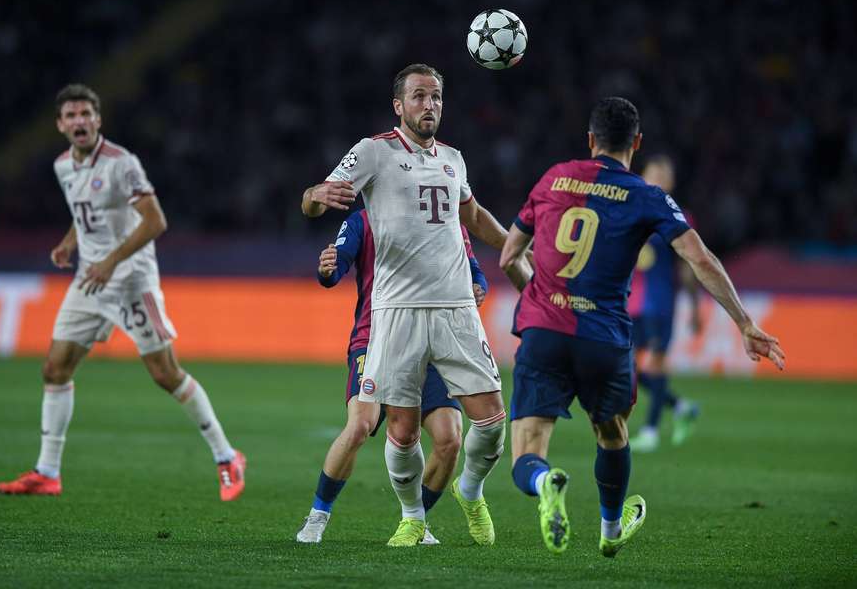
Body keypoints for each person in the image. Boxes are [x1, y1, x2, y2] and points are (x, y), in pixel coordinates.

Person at [499, 97, 785, 558]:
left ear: (590, 140)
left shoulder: (554, 177)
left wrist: (537, 299)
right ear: (636, 144)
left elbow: (510, 256)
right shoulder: (648, 196)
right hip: (604, 339)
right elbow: (700, 259)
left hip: (545, 330)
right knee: (612, 435)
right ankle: (611, 530)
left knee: (527, 452)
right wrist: (745, 323)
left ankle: (544, 480)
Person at [301, 63, 529, 547]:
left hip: (456, 309)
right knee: (402, 432)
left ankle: (470, 489)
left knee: (491, 419)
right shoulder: (373, 152)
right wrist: (316, 195)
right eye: (420, 96)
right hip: (396, 312)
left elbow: (474, 217)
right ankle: (412, 518)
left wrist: (516, 244)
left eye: (437, 96)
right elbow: (313, 202)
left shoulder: (453, 159)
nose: (430, 105)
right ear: (399, 105)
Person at [0, 84, 246, 500]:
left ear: (98, 119)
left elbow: (155, 221)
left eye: (86, 114)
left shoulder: (121, 163)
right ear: (60, 125)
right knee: (55, 369)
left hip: (130, 279)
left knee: (165, 373)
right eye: (71, 115)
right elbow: (85, 213)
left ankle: (227, 456)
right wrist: (69, 243)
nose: (79, 121)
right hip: (90, 280)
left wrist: (110, 261)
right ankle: (47, 472)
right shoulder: (63, 166)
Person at [295, 208, 488, 544]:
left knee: (450, 439)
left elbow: (473, 269)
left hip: (433, 339)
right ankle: (317, 516)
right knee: (360, 425)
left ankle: (416, 520)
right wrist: (327, 270)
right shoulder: (365, 220)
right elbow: (335, 267)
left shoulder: (444, 216)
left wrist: (477, 286)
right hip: (376, 339)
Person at [627, 156, 702, 453]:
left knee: (656, 365)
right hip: (630, 303)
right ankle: (681, 406)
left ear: (671, 183)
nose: (656, 180)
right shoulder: (629, 210)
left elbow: (687, 265)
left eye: (662, 176)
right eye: (652, 174)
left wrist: (694, 307)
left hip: (660, 303)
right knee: (626, 368)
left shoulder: (677, 217)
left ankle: (650, 431)